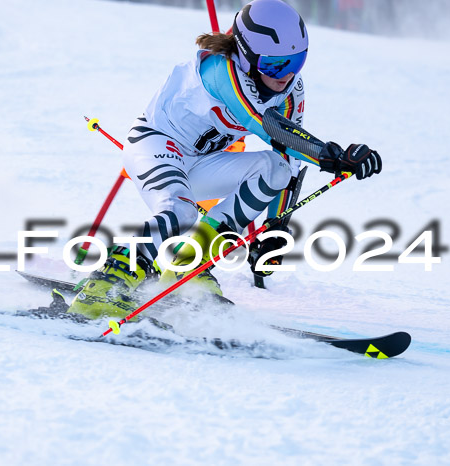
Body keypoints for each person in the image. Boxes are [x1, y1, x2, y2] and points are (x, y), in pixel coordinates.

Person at [68, 0, 381, 319]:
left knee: (277, 169)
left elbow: (290, 159)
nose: (285, 77)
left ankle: (187, 263)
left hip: (203, 163)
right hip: (155, 146)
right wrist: (331, 155)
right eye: (275, 66)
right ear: (246, 55)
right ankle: (110, 279)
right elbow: (266, 125)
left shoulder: (289, 90)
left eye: (295, 63)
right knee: (181, 211)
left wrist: (274, 230)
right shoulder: (220, 69)